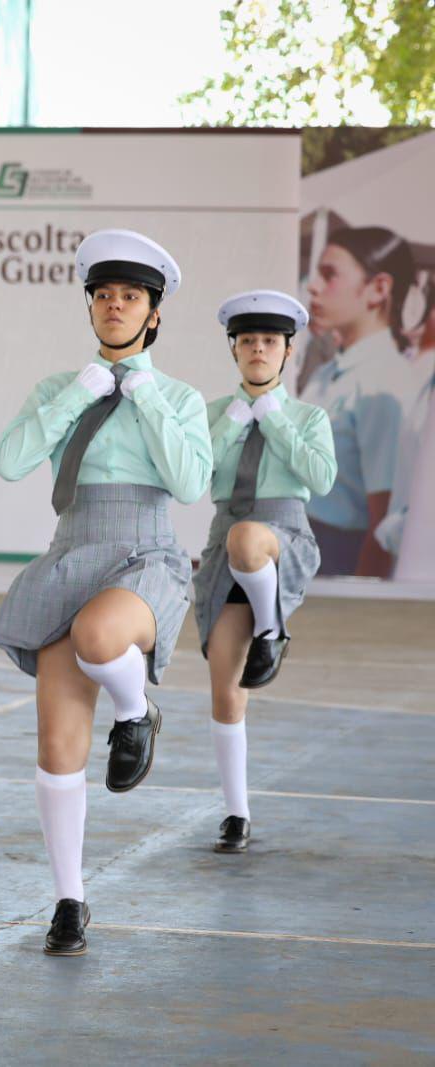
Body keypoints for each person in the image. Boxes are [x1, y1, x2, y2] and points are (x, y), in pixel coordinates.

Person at [0, 229, 211, 955]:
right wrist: (79, 393)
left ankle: (137, 706)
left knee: (98, 636)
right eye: (104, 295)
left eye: (132, 297)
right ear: (91, 306)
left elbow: (188, 483)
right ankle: (68, 899)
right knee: (57, 745)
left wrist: (140, 393)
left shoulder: (177, 396)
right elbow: (11, 460)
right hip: (72, 548)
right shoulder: (59, 389)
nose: (115, 305)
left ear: (153, 314)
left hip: (146, 550)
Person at [193, 290, 336, 854]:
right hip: (224, 538)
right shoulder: (209, 413)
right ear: (235, 351)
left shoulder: (308, 416)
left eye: (269, 341)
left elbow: (320, 479)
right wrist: (234, 418)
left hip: (281, 533)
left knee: (247, 539)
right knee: (227, 691)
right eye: (248, 341)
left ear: (287, 352)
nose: (258, 349)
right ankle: (236, 814)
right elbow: (195, 472)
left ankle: (273, 629)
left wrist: (273, 418)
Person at [301, 226, 424, 577]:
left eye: (330, 275)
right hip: (302, 548)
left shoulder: (385, 383)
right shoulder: (328, 373)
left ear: (379, 288)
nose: (314, 286)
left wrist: (360, 603)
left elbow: (383, 518)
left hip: (340, 557)